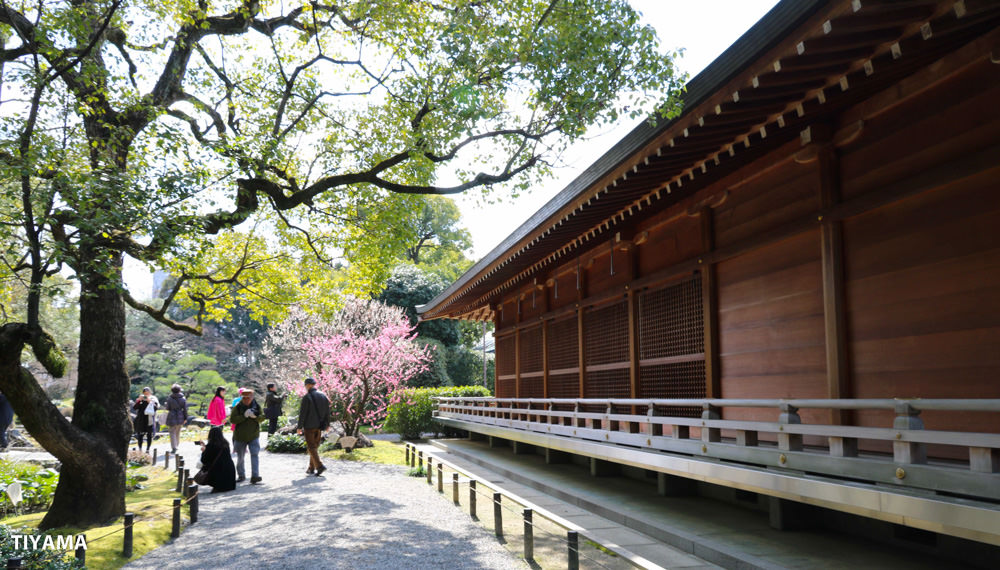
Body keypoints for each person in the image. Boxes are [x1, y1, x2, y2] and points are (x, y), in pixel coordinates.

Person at [296, 377, 331, 477]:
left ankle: (319, 466)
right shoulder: (323, 395)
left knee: (311, 447)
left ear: (308, 385)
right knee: (314, 447)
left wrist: (299, 427)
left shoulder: (307, 397)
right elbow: (328, 412)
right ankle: (311, 468)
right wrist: (328, 424)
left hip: (309, 426)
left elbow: (303, 414)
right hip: (319, 426)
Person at [229, 388, 265, 484]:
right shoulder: (238, 407)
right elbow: (232, 420)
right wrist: (243, 416)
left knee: (254, 455)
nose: (246, 400)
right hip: (240, 436)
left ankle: (255, 476)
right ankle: (241, 475)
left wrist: (256, 417)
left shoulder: (257, 406)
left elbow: (262, 417)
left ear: (252, 398)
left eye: (248, 398)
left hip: (254, 435)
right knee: (240, 457)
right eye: (244, 398)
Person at [198, 426, 236, 493]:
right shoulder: (226, 443)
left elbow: (204, 460)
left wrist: (204, 451)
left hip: (218, 473)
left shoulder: (211, 445)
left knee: (207, 466)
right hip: (229, 473)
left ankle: (217, 486)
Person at [131, 387, 159, 452]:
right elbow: (135, 408)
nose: (146, 395)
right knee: (140, 435)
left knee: (149, 435)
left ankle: (148, 449)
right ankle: (140, 449)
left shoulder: (153, 399)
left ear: (150, 393)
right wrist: (139, 400)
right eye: (145, 394)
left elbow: (155, 408)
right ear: (143, 394)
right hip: (141, 420)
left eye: (147, 393)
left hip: (149, 420)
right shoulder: (140, 400)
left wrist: (149, 401)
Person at [164, 384, 188, 454]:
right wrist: (185, 418)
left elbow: (168, 408)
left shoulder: (169, 398)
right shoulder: (183, 398)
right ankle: (176, 445)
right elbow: (185, 409)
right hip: (180, 416)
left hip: (172, 416)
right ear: (179, 390)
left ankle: (174, 447)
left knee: (172, 432)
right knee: (178, 432)